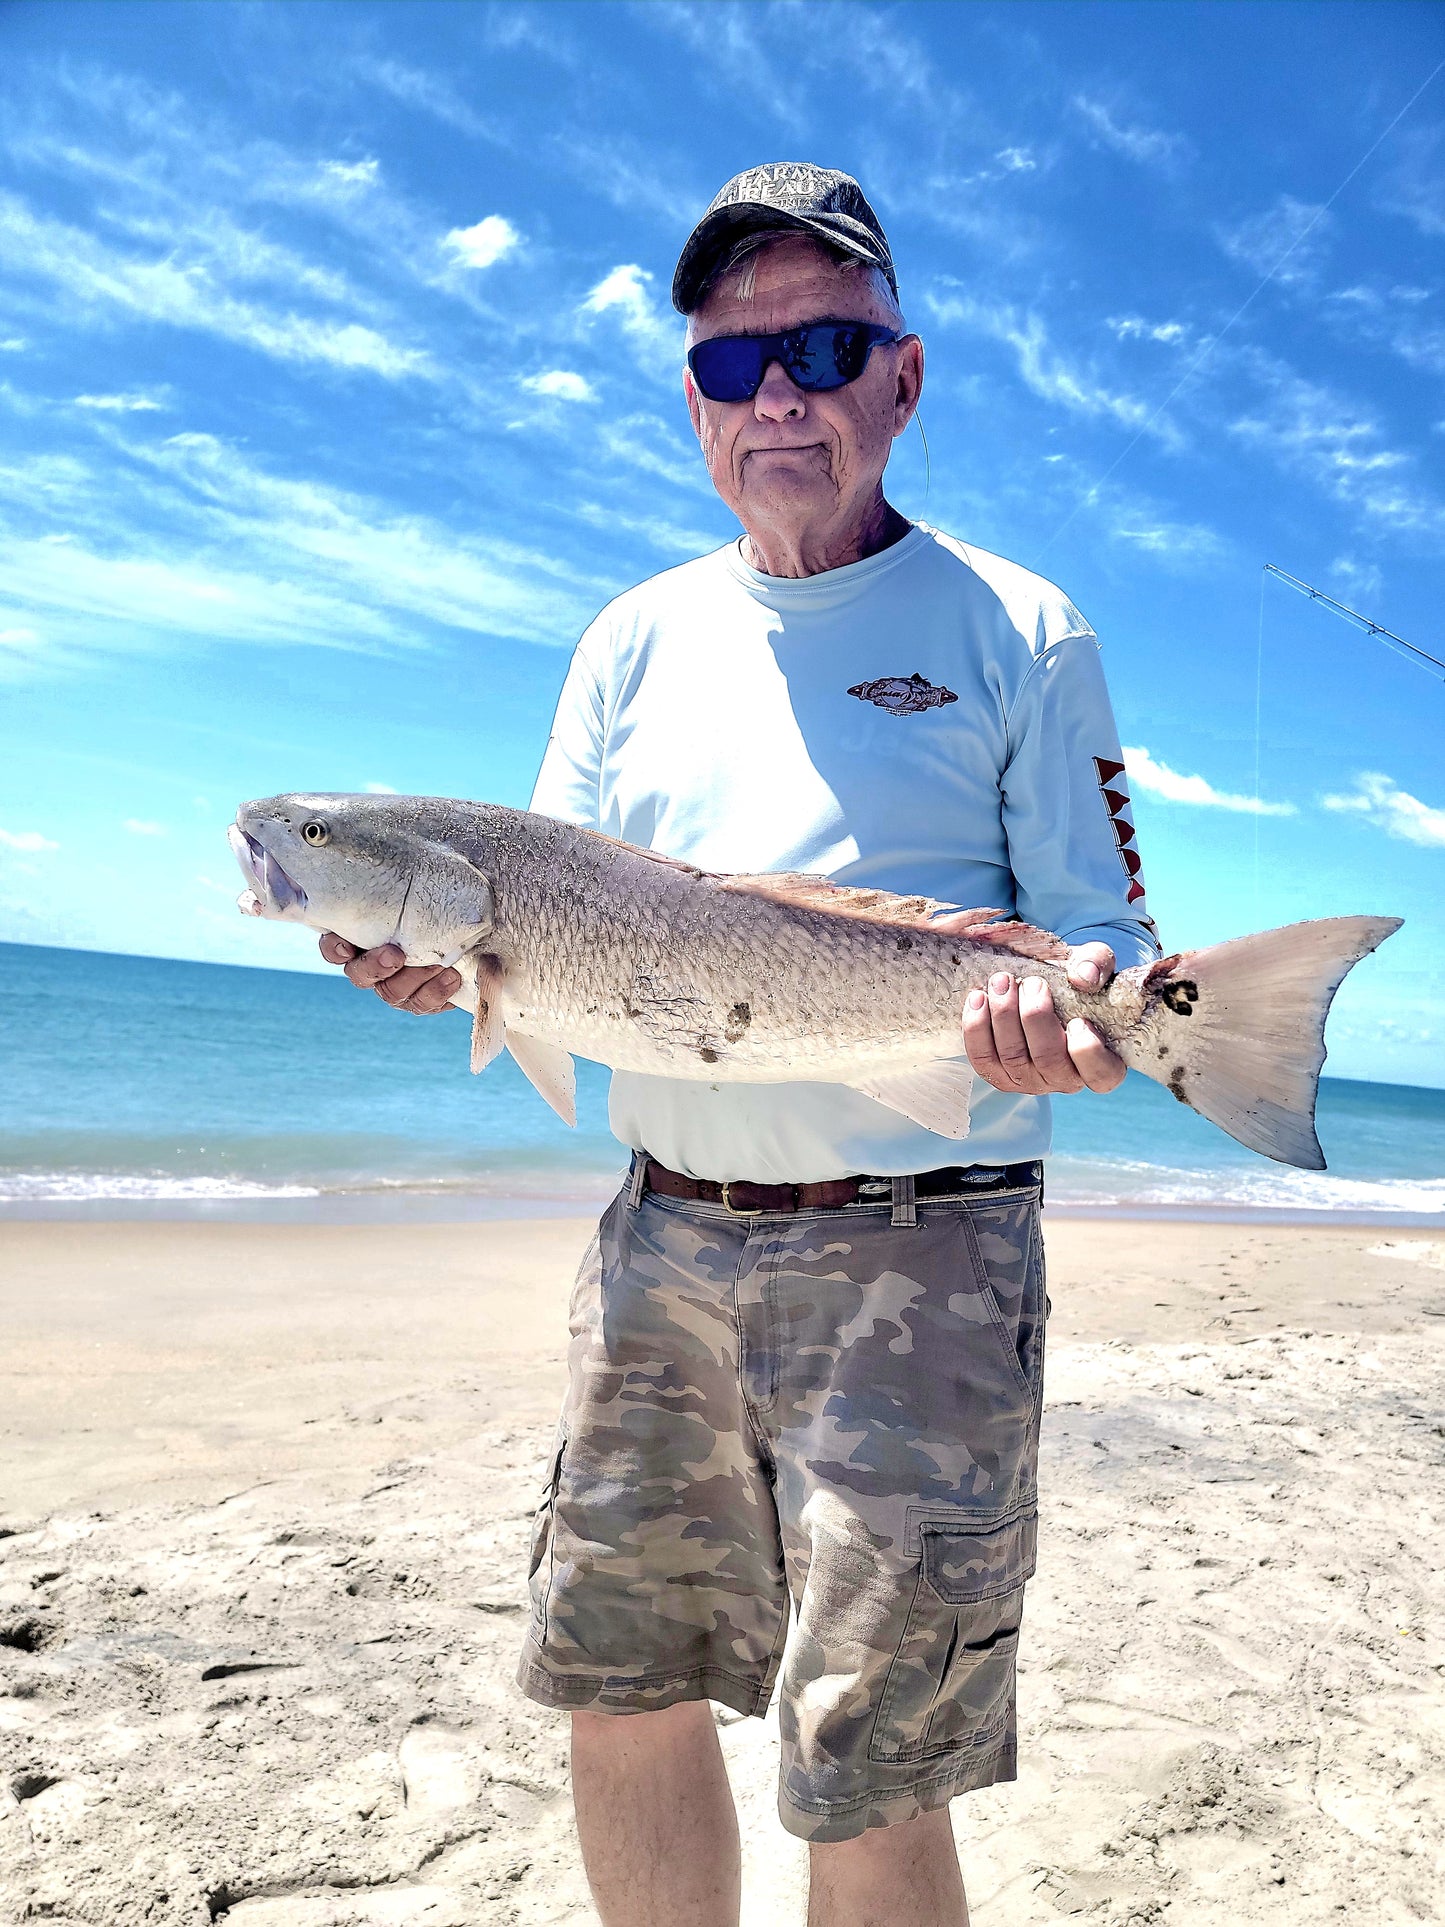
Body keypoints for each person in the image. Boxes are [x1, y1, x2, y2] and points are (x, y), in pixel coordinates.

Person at [320, 163, 1158, 1927]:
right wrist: (443, 972)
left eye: (824, 345)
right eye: (730, 364)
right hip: (661, 1232)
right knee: (613, 1682)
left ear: (900, 381)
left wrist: (1078, 1012)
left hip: (925, 1245)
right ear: (695, 400)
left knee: (869, 1747)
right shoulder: (629, 636)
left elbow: (1107, 934)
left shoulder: (1018, 625)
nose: (776, 393)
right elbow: (533, 917)